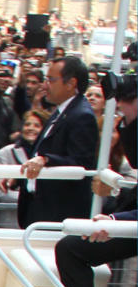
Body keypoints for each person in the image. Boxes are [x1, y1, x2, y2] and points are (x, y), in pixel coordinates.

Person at [16, 56, 99, 227]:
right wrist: (19, 178)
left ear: (71, 83)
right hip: (38, 207)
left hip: (57, 214)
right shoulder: (61, 111)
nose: (44, 86)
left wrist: (46, 160)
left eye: (51, 80)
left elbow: (81, 163)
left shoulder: (81, 116)